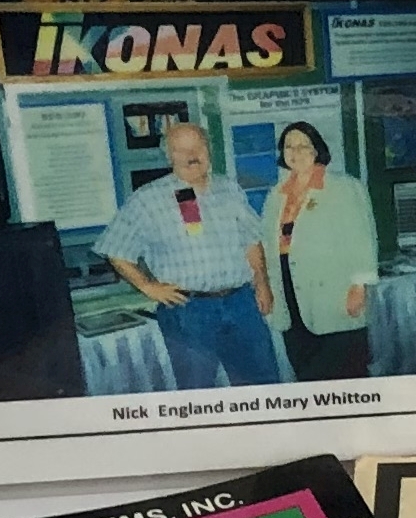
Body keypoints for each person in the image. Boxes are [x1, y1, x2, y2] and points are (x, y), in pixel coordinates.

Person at [95, 122, 284, 390]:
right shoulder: (148, 199)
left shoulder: (229, 189)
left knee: (265, 386)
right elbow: (115, 248)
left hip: (242, 304)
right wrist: (148, 286)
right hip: (188, 311)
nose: (192, 155)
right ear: (169, 156)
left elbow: (251, 240)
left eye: (198, 147)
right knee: (198, 392)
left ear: (209, 150)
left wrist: (262, 282)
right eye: (181, 150)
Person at [258, 120, 379, 382]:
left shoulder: (343, 187)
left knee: (346, 373)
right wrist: (264, 285)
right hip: (290, 295)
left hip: (334, 295)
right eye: (289, 146)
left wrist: (359, 286)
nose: (296, 152)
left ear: (317, 150)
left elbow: (362, 238)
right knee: (306, 373)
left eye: (303, 145)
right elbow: (268, 245)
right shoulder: (276, 195)